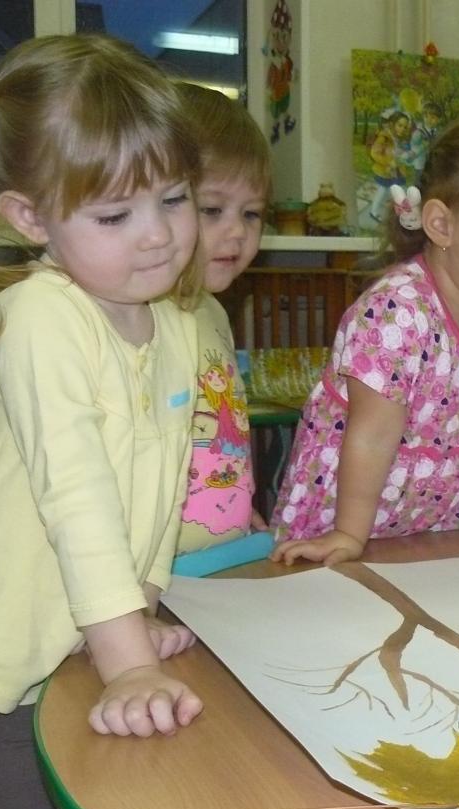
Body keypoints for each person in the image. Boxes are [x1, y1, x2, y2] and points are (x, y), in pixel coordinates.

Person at [0, 34, 204, 809]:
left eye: (174, 198)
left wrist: (142, 611)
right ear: (31, 217)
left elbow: (162, 485)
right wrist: (126, 662)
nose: (157, 234)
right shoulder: (38, 315)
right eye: (115, 214)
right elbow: (78, 495)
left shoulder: (175, 324)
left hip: (77, 653)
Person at [269, 113, 459, 566]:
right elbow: (372, 437)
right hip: (343, 522)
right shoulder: (396, 313)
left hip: (431, 525)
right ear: (441, 225)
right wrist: (349, 534)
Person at [175, 82, 271, 554]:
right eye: (212, 210)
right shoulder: (140, 315)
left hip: (217, 547)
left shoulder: (212, 310)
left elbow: (222, 430)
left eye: (251, 214)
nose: (236, 231)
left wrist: (236, 506)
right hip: (154, 563)